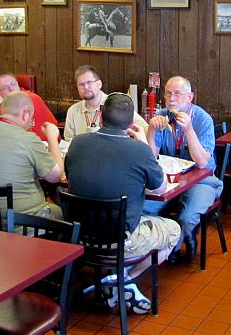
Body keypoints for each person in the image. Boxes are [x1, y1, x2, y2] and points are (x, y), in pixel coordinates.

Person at [65, 92, 180, 313]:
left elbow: (69, 175)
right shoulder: (139, 150)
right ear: (130, 123)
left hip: (80, 235)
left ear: (100, 116)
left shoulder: (78, 143)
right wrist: (146, 146)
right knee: (173, 229)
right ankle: (122, 279)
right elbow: (161, 188)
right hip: (121, 240)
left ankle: (114, 280)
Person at [144, 76, 222, 259]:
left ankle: (177, 244)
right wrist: (152, 130)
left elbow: (203, 162)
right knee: (143, 209)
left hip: (202, 180)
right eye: (168, 93)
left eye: (177, 94)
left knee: (187, 218)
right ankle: (154, 247)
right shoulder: (162, 116)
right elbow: (150, 157)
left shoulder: (202, 119)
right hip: (169, 180)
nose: (171, 98)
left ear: (190, 97)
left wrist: (188, 130)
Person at [0, 91, 63, 219]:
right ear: (25, 114)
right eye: (31, 120)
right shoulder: (27, 139)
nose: (30, 124)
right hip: (23, 223)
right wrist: (52, 137)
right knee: (63, 212)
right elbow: (56, 176)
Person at [63, 65, 147, 140]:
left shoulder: (115, 104)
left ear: (99, 84)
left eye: (89, 82)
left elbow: (145, 128)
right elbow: (68, 142)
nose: (85, 87)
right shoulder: (73, 111)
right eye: (81, 84)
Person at [0, 72, 58, 141]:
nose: (11, 89)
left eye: (13, 84)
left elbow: (52, 129)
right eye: (5, 88)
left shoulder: (33, 99)